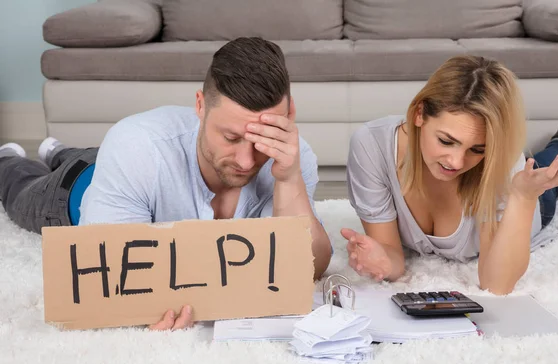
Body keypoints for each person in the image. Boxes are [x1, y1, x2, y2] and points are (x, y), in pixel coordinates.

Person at [0, 37, 332, 329]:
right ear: (200, 106)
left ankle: (56, 149)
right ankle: (13, 159)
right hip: (76, 188)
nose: (246, 162)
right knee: (19, 188)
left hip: (123, 164)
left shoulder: (293, 156)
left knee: (80, 154)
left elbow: (307, 268)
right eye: (231, 137)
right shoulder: (136, 147)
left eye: (260, 141)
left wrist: (289, 179)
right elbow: (110, 281)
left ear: (288, 116)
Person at [341, 55, 558, 295]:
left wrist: (524, 197)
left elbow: (497, 285)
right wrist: (382, 260)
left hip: (525, 202)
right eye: (446, 141)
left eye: (478, 149)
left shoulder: (502, 160)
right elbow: (392, 260)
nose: (457, 162)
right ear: (419, 114)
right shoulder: (372, 145)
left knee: (551, 176)